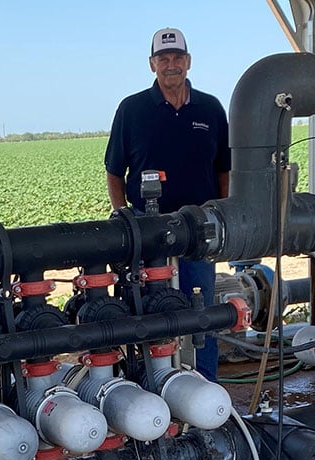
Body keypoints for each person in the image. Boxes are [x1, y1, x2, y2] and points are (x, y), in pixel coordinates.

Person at [105, 27, 230, 381]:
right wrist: (123, 218)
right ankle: (150, 385)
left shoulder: (210, 108)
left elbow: (224, 168)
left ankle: (205, 388)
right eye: (164, 59)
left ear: (188, 62)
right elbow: (114, 171)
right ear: (152, 65)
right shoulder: (132, 110)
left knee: (200, 309)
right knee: (149, 310)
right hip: (147, 228)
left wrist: (219, 216)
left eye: (177, 58)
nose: (171, 65)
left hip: (199, 227)